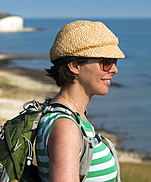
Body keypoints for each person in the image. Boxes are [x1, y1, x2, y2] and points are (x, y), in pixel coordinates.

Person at [35, 20, 125, 182]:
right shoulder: (66, 127)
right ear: (74, 65)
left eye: (114, 61)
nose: (114, 69)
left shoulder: (71, 117)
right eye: (106, 61)